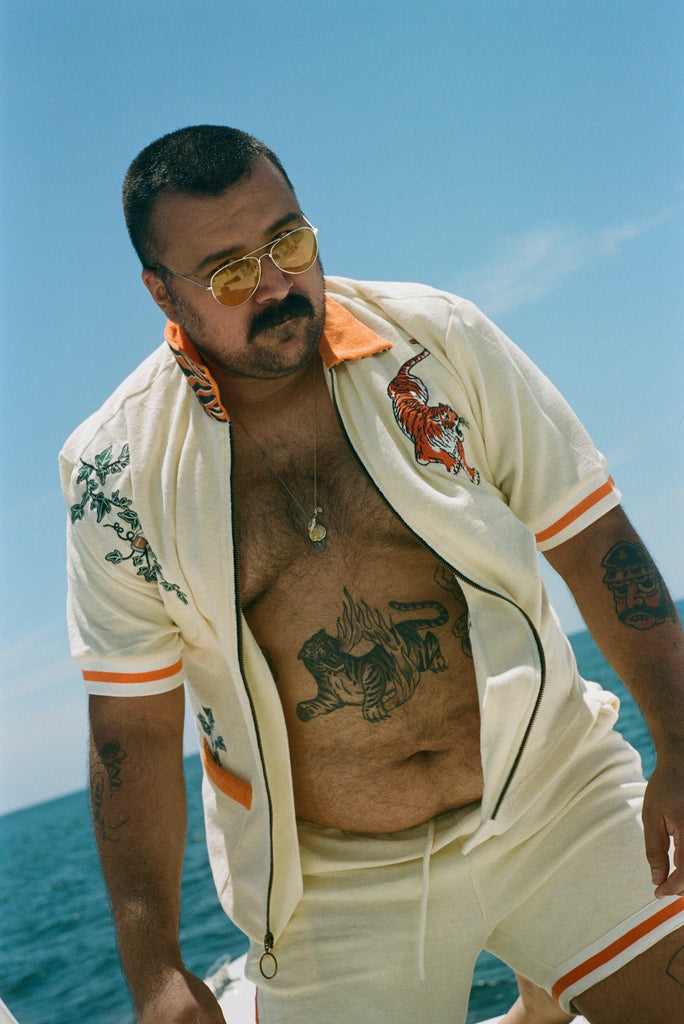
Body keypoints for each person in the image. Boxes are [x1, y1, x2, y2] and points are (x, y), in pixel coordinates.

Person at [60, 125, 684, 1024]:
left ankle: (546, 990)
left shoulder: (437, 340)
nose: (275, 285)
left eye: (289, 241)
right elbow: (135, 732)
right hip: (332, 889)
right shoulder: (114, 472)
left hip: (552, 798)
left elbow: (595, 543)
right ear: (162, 292)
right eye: (229, 272)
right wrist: (156, 970)